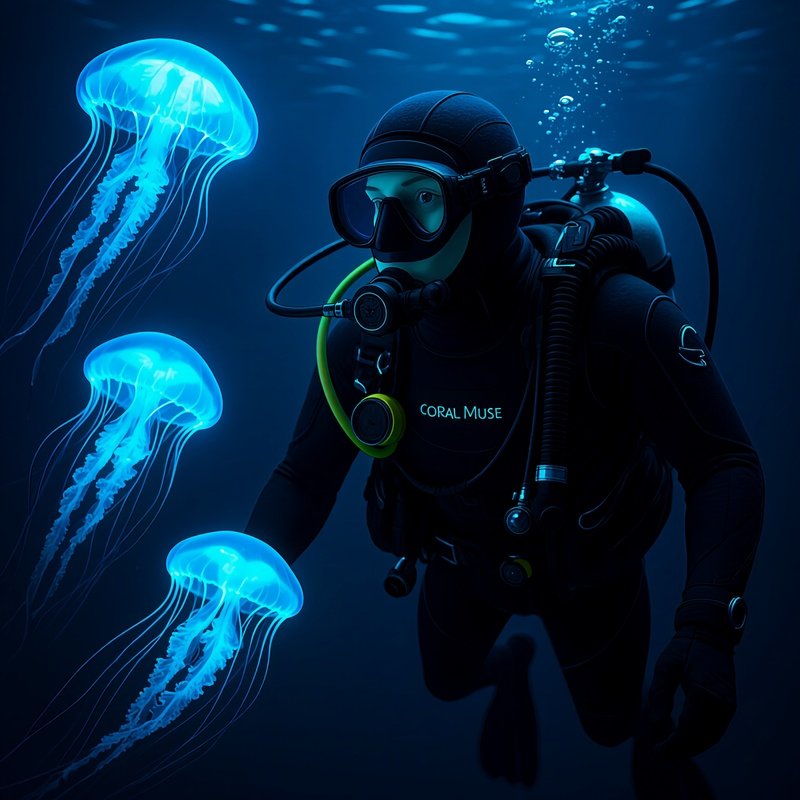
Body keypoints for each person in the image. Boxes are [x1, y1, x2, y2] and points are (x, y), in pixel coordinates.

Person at [246, 90, 764, 792]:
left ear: (488, 203)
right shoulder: (361, 339)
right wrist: (240, 583)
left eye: (421, 201)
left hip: (590, 573)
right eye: (375, 202)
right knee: (446, 684)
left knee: (610, 726)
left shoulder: (615, 315)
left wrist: (707, 625)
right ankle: (510, 671)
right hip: (459, 565)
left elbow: (721, 461)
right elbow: (305, 477)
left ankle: (647, 739)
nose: (388, 237)